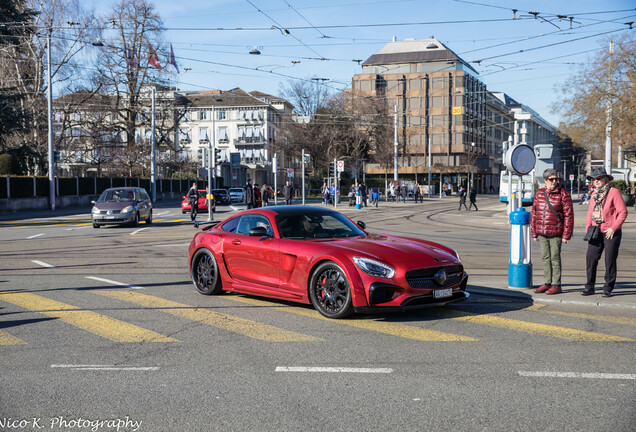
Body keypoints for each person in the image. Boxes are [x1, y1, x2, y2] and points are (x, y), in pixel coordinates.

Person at [582, 167, 628, 297]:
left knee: (610, 260)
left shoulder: (614, 192)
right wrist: (588, 229)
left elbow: (622, 212)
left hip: (611, 231)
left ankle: (608, 287)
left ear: (606, 179)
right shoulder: (593, 194)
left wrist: (614, 228)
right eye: (594, 179)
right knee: (591, 258)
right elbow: (590, 214)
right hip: (595, 231)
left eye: (599, 178)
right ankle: (589, 286)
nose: (596, 181)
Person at [531, 169, 574, 295]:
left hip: (556, 232)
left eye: (556, 179)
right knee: (545, 258)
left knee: (555, 258)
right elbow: (534, 213)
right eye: (551, 179)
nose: (554, 181)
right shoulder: (539, 193)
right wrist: (534, 233)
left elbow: (569, 215)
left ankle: (556, 284)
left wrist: (566, 235)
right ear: (545, 180)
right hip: (542, 232)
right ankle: (547, 283)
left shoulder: (563, 194)